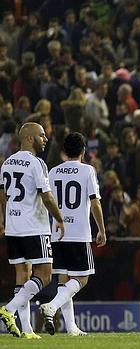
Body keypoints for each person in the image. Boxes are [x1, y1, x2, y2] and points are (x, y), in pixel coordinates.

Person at [0, 122, 65, 339]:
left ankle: (27, 330)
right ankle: (8, 309)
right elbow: (46, 196)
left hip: (13, 227)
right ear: (29, 138)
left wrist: (5, 218)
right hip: (34, 227)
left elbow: (2, 196)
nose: (45, 139)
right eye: (42, 135)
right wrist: (59, 219)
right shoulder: (37, 163)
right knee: (45, 275)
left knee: (23, 275)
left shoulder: (7, 163)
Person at [39, 132, 106, 336]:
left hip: (57, 233)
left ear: (63, 152)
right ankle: (51, 306)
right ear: (83, 151)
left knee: (63, 281)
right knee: (82, 278)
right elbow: (95, 202)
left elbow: (46, 201)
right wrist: (101, 229)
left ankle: (71, 327)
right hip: (78, 233)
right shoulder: (88, 171)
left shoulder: (53, 172)